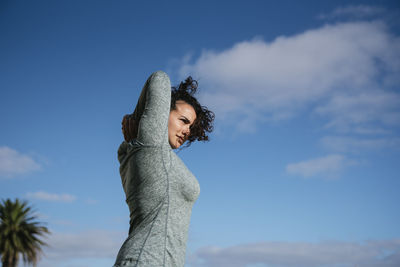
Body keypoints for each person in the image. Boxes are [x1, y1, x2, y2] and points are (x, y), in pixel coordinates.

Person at [114, 71, 214, 267]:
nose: (187, 131)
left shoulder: (150, 151)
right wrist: (135, 117)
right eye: (183, 120)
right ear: (160, 114)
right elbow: (159, 79)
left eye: (191, 126)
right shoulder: (151, 145)